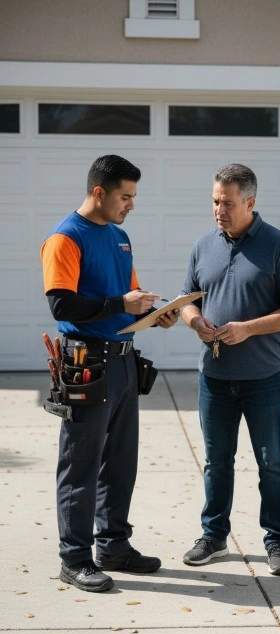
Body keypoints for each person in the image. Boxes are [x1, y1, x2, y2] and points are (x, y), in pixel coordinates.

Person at [40, 154, 178, 593]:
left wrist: (156, 314)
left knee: (120, 463)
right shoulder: (65, 238)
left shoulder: (120, 238)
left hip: (123, 361)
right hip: (85, 364)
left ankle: (114, 546)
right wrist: (123, 304)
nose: (131, 204)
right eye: (125, 196)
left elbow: (127, 296)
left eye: (133, 196)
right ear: (99, 192)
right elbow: (62, 305)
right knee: (81, 463)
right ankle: (75, 558)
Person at [181, 162, 280, 575]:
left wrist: (247, 330)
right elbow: (186, 298)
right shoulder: (203, 246)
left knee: (272, 462)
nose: (220, 209)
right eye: (216, 201)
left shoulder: (279, 246)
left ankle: (277, 542)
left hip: (264, 379)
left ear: (250, 202)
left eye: (228, 202)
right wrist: (195, 320)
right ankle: (214, 536)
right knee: (217, 461)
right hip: (214, 379)